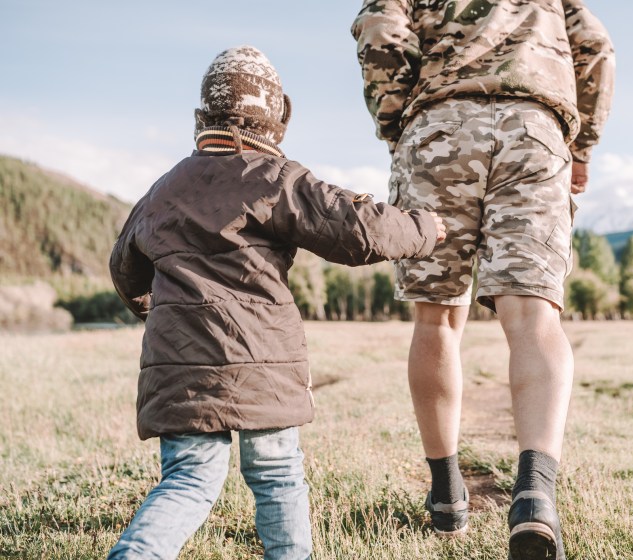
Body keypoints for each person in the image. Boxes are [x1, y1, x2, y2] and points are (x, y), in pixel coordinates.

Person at [107, 45, 445, 560]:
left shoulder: (164, 187)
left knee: (188, 482)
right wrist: (423, 228)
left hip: (178, 367)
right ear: (273, 118)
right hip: (261, 361)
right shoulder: (274, 177)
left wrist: (154, 307)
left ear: (204, 116)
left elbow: (123, 266)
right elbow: (356, 228)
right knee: (278, 477)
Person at [352, 1, 614, 558]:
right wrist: (582, 144)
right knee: (533, 312)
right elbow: (594, 49)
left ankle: (446, 496)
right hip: (534, 126)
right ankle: (536, 496)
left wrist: (399, 120)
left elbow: (381, 28)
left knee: (438, 316)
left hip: (439, 125)